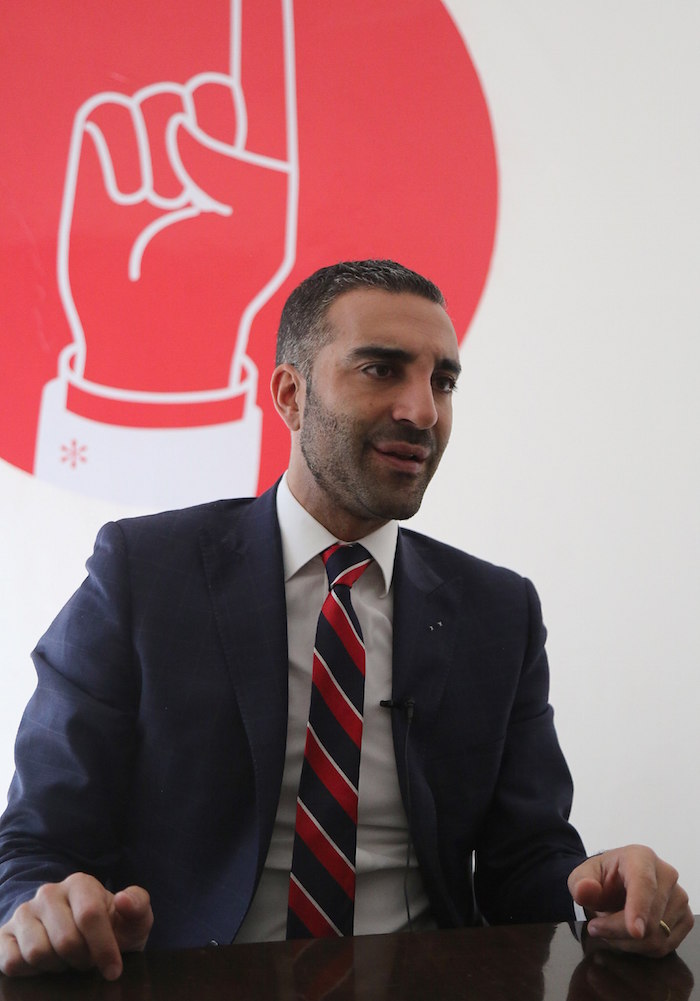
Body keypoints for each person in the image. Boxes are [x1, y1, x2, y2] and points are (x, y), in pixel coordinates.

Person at [0, 260, 692, 980]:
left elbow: (525, 860)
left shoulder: (498, 611)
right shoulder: (144, 575)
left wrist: (596, 890)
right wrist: (44, 910)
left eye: (443, 382)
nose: (422, 411)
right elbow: (38, 842)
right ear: (291, 395)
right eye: (381, 370)